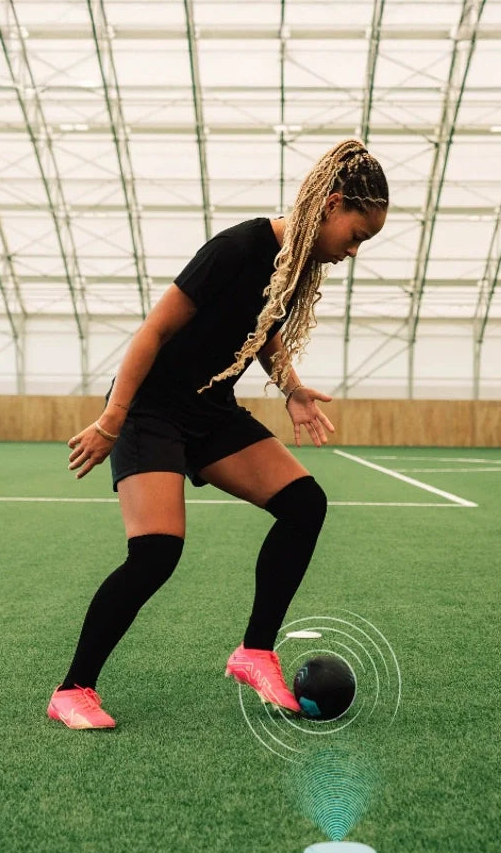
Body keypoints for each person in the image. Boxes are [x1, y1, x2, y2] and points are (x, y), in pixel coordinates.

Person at [47, 140, 389, 729]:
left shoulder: (294, 267)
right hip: (150, 409)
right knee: (156, 552)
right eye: (356, 235)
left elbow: (264, 330)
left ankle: (255, 652)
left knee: (304, 504)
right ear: (332, 205)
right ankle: (72, 689)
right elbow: (151, 334)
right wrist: (113, 420)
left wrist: (292, 388)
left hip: (208, 410)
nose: (353, 252)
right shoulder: (238, 248)